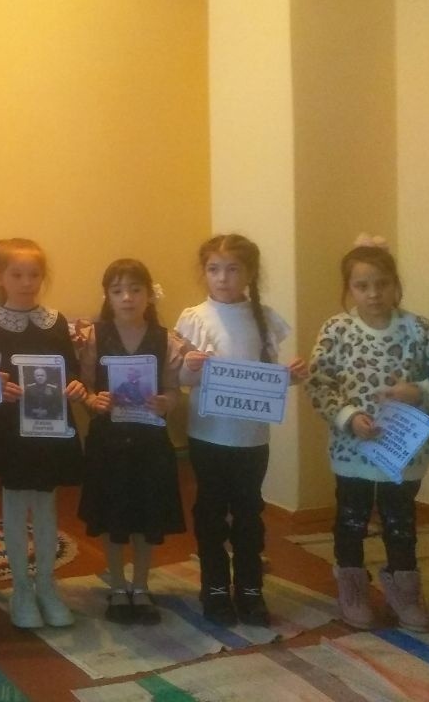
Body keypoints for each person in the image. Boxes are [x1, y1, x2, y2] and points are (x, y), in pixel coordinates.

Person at [307, 239, 429, 632]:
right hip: (352, 450)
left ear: (395, 284)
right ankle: (352, 588)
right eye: (362, 286)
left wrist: (420, 391)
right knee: (351, 519)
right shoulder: (337, 330)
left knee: (400, 520)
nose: (373, 294)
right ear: (349, 289)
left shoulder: (418, 330)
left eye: (382, 284)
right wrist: (349, 417)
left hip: (404, 450)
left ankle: (404, 591)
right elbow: (319, 383)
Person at [176, 233, 308, 627]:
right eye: (214, 269)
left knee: (249, 512)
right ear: (204, 272)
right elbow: (180, 378)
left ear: (250, 273)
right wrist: (190, 367)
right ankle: (215, 586)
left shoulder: (263, 318)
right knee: (211, 511)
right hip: (208, 435)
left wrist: (290, 376)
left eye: (232, 269)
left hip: (252, 438)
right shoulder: (195, 318)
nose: (222, 278)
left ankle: (250, 588)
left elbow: (267, 378)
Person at [74, 259, 195, 625]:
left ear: (149, 294)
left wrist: (166, 402)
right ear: (108, 296)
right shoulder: (93, 338)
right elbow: (84, 387)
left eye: (135, 289)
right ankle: (116, 585)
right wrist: (92, 400)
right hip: (108, 443)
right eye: (118, 291)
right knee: (113, 518)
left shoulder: (166, 339)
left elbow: (174, 390)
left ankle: (140, 586)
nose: (127, 297)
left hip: (149, 444)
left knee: (146, 518)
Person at [0, 239, 87, 629]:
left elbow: (71, 370)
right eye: (17, 274)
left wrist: (76, 386)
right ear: (0, 277)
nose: (26, 282)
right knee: (14, 504)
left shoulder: (55, 322)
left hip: (49, 429)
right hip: (10, 430)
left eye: (34, 275)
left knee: (46, 505)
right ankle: (21, 589)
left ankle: (46, 585)